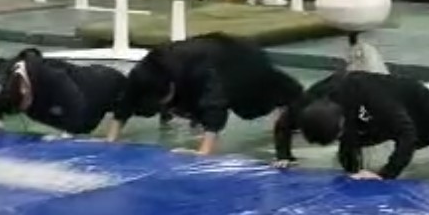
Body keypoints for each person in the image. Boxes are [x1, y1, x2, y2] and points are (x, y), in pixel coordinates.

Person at [277, 65, 429, 179]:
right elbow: (283, 125)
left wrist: (384, 175)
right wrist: (284, 156)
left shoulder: (375, 99)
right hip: (362, 115)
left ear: (341, 120)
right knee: (350, 149)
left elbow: (406, 134)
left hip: (413, 99)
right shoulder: (308, 102)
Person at [107, 33, 300, 158]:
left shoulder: (201, 71)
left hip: (238, 57)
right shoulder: (143, 72)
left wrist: (203, 151)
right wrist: (111, 139)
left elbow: (215, 104)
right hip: (202, 58)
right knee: (182, 104)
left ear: (171, 86)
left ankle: (291, 99)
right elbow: (126, 100)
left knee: (250, 107)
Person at [0, 48, 127, 137]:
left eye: (24, 104)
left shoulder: (52, 77)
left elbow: (76, 104)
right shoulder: (1, 82)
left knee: (83, 126)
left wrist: (68, 132)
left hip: (103, 84)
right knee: (35, 111)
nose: (23, 111)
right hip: (55, 90)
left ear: (24, 89)